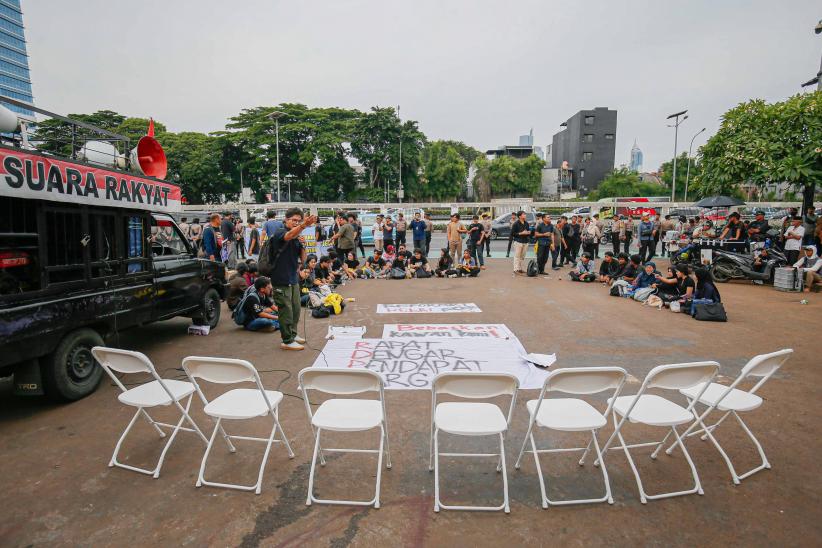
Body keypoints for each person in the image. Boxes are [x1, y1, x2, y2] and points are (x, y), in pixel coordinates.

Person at [266, 207, 317, 351]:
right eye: (293, 220)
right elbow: (288, 236)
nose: (296, 223)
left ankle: (293, 335)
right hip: (280, 279)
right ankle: (286, 340)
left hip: (293, 278)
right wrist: (303, 226)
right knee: (285, 311)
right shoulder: (280, 232)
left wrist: (303, 245)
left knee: (295, 309)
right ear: (286, 220)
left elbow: (303, 260)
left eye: (298, 220)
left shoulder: (296, 237)